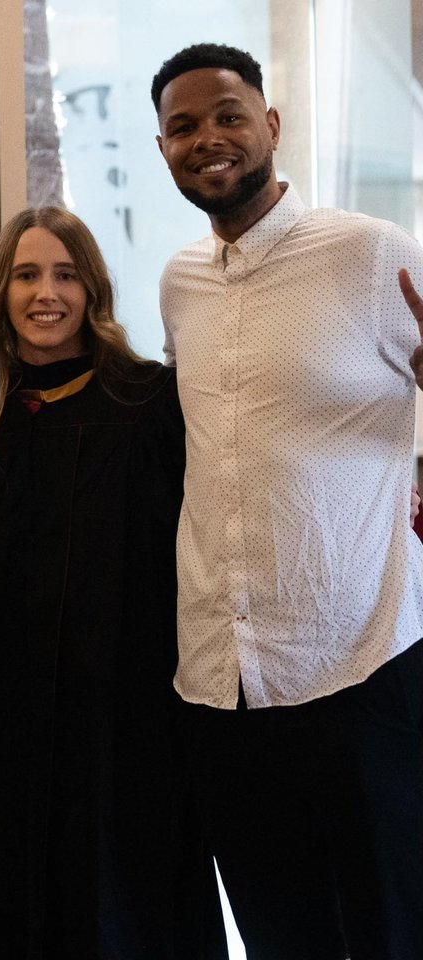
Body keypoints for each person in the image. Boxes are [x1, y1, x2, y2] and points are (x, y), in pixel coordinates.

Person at [152, 42, 423, 958]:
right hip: (219, 684)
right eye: (183, 126)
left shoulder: (371, 254)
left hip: (361, 669)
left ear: (271, 125)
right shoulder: (179, 283)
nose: (208, 139)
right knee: (277, 938)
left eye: (228, 114)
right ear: (163, 149)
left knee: (392, 930)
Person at [0, 207, 225, 958]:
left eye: (66, 274)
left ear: (93, 289)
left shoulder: (148, 403)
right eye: (27, 274)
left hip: (131, 719)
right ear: (1, 291)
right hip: (13, 724)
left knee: (129, 902)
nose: (46, 293)